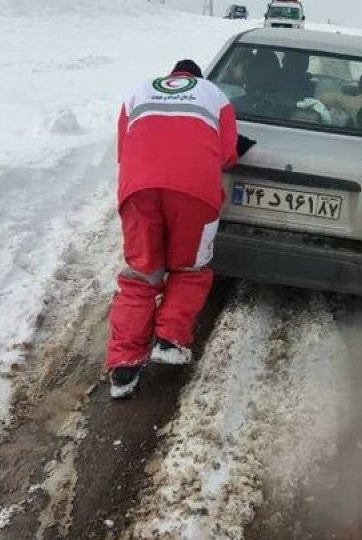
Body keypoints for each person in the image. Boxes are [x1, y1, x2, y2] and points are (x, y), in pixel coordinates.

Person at [108, 59, 256, 399]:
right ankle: (169, 341)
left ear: (172, 74)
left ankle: (123, 368)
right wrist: (232, 152)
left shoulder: (137, 92)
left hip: (138, 190)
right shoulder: (215, 96)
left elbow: (123, 148)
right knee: (190, 268)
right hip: (194, 193)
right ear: (198, 79)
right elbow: (225, 153)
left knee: (142, 274)